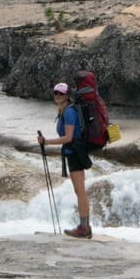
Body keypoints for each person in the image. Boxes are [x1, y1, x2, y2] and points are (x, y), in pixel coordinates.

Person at [39, 79, 94, 238]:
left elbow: (68, 137)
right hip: (73, 152)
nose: (57, 95)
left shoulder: (69, 112)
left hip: (75, 153)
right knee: (79, 191)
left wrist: (47, 142)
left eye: (61, 93)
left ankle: (84, 228)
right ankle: (85, 226)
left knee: (80, 191)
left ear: (67, 95)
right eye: (56, 92)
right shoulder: (64, 110)